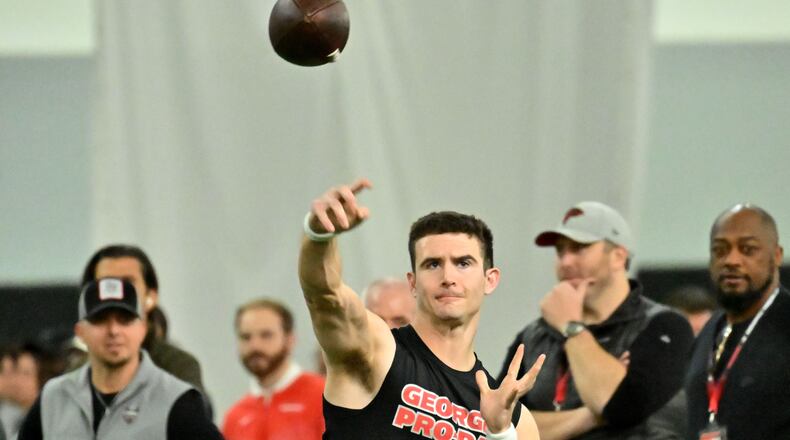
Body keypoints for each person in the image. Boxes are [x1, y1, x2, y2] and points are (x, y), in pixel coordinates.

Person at [299, 179, 544, 439]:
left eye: (463, 263)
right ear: (413, 282)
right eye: (432, 264)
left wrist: (500, 434)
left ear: (490, 279)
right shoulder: (375, 353)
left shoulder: (514, 420)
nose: (448, 276)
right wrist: (319, 236)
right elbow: (326, 296)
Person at [499, 201, 694, 439]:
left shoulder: (665, 326)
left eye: (579, 248)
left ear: (618, 257)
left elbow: (621, 407)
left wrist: (571, 327)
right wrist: (591, 415)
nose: (565, 261)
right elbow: (501, 424)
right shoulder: (534, 335)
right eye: (560, 251)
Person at [17, 278, 222, 439]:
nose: (114, 330)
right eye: (100, 320)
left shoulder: (175, 400)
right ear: (80, 332)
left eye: (125, 320)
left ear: (142, 329)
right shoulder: (54, 397)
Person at [685, 204, 790, 440]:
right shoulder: (709, 332)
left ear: (776, 256)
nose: (731, 260)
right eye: (720, 250)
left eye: (747, 249)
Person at [81, 245, 208, 399]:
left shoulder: (177, 367)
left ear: (151, 297)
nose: (118, 292)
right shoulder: (76, 375)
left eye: (128, 283)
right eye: (108, 284)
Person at [223, 298, 325, 439]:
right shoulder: (235, 417)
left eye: (266, 335)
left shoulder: (323, 398)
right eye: (246, 337)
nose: (255, 346)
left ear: (290, 340)